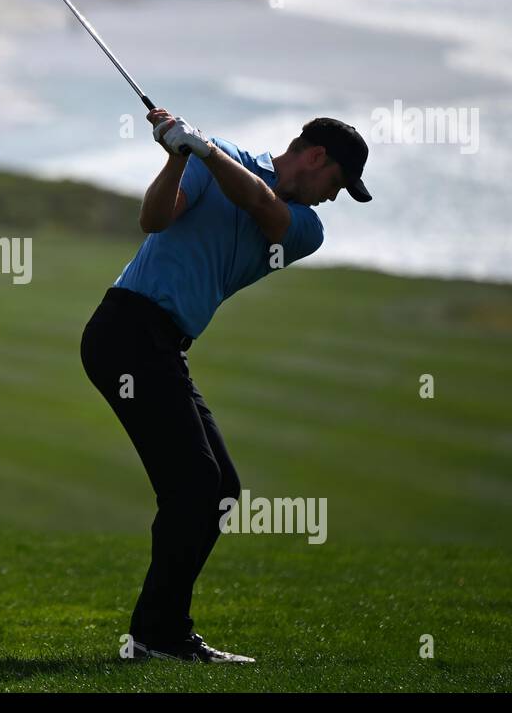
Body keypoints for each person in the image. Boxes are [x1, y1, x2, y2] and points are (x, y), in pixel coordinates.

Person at [80, 108, 372, 664]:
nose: (334, 198)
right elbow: (154, 219)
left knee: (217, 491)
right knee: (193, 485)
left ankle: (159, 632)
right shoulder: (214, 159)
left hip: (164, 347)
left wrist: (204, 149)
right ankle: (159, 635)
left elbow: (261, 204)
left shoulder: (306, 228)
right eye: (338, 183)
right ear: (316, 157)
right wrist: (176, 158)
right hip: (124, 331)